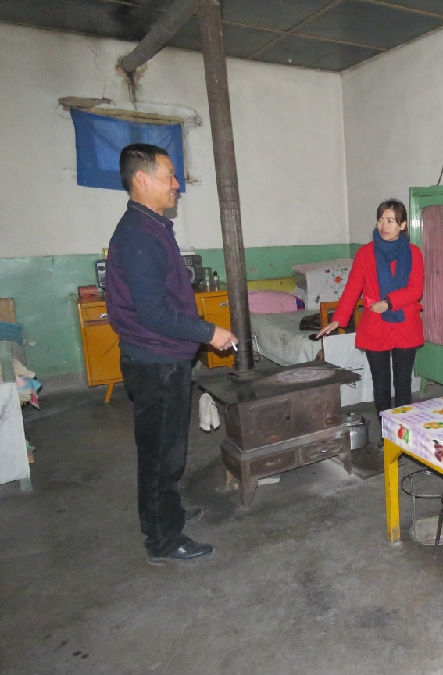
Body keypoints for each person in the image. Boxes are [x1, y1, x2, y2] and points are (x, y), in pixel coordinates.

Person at [106, 143, 237, 566]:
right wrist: (208, 332)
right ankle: (162, 540)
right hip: (155, 362)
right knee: (161, 454)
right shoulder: (140, 236)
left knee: (165, 447)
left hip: (162, 358)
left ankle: (167, 513)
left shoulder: (152, 226)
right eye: (169, 176)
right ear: (141, 179)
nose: (177, 184)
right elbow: (154, 313)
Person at [317, 199, 424, 419]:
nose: (384, 225)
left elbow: (416, 290)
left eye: (390, 221)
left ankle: (404, 429)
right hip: (375, 325)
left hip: (405, 323)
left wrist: (388, 303)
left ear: (402, 225)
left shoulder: (414, 253)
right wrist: (338, 319)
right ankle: (385, 429)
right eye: (381, 220)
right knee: (381, 382)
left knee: (403, 382)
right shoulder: (365, 254)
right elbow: (352, 288)